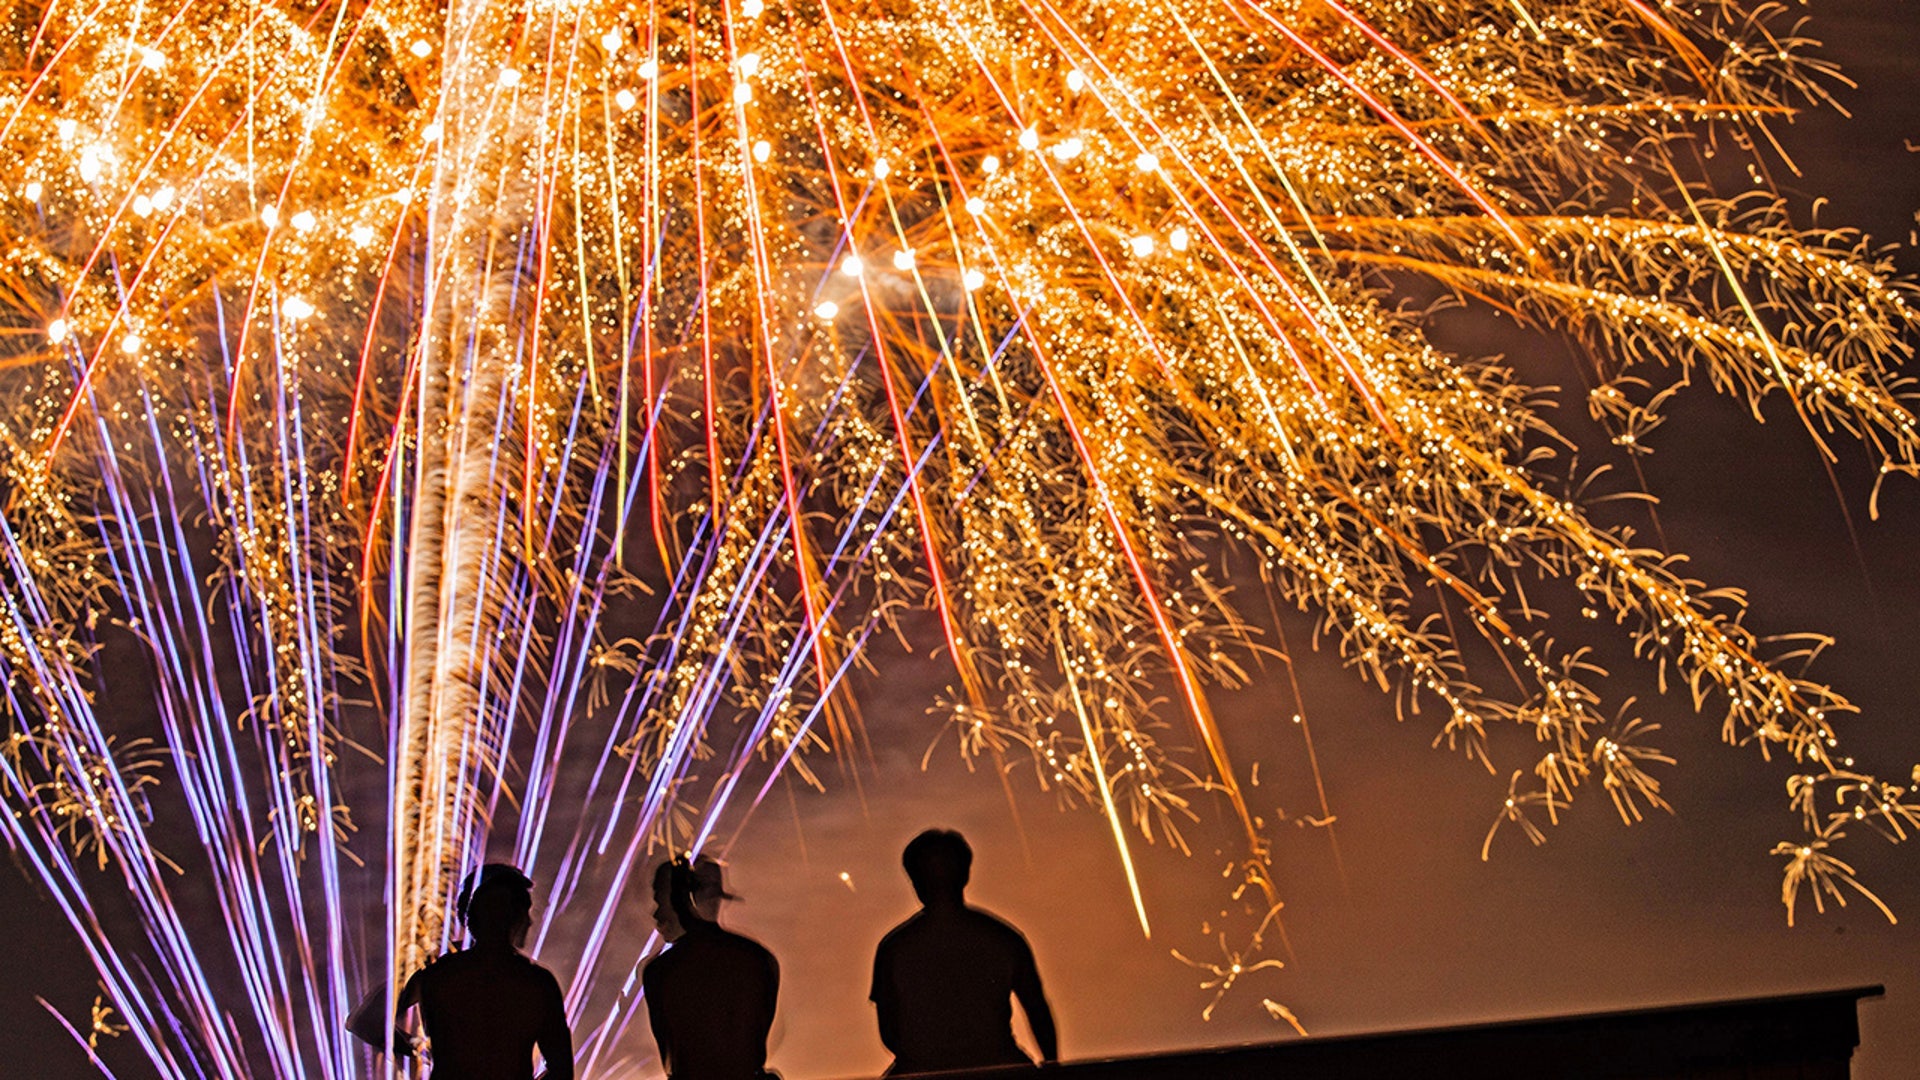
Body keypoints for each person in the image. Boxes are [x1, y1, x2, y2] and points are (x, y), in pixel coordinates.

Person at [347, 863, 574, 1080]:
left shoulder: (437, 973)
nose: (530, 921)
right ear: (514, 917)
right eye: (525, 910)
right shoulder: (537, 983)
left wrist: (416, 1049)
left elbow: (364, 1022)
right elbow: (561, 1070)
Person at [870, 829, 1057, 1075]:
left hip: (923, 1071)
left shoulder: (894, 948)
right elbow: (1037, 1011)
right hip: (999, 1067)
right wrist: (1053, 1067)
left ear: (915, 880)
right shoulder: (1003, 937)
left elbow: (890, 1032)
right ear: (965, 874)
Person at [642, 856, 781, 1080]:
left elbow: (670, 1058)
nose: (656, 915)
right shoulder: (759, 959)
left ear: (685, 900)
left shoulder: (660, 972)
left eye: (661, 902)